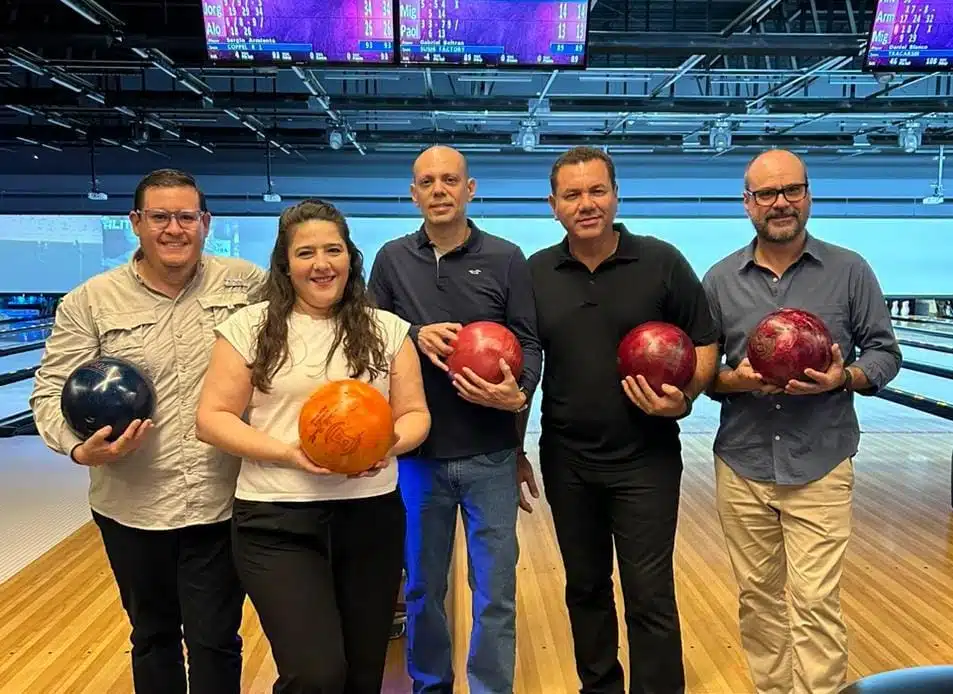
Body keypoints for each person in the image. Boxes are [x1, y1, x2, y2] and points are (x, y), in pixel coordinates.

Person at [29, 168, 266, 694]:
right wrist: (77, 448)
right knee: (153, 636)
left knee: (216, 639)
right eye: (160, 217)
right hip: (131, 505)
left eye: (186, 217)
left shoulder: (246, 284)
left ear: (205, 223)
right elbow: (48, 392)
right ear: (136, 223)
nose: (173, 229)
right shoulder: (90, 300)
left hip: (219, 499)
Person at [195, 199, 431, 694]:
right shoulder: (249, 328)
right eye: (306, 253)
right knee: (317, 675)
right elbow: (211, 419)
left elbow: (415, 415)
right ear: (285, 264)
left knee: (363, 676)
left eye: (333, 250)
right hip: (276, 521)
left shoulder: (387, 329)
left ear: (350, 258)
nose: (321, 263)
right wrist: (287, 453)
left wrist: (387, 447)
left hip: (370, 519)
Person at [701, 149, 901, 694]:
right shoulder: (719, 280)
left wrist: (844, 379)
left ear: (808, 195)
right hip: (743, 462)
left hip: (821, 461)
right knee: (758, 600)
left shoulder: (850, 270)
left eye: (791, 190)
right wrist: (733, 380)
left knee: (815, 602)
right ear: (748, 204)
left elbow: (885, 353)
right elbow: (705, 375)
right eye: (766, 194)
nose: (780, 203)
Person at [525, 145, 719, 694]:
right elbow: (523, 364)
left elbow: (705, 341)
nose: (586, 203)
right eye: (573, 195)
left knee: (648, 592)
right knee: (585, 587)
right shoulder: (536, 272)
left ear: (614, 195)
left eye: (596, 191)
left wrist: (685, 398)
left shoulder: (661, 261)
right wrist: (513, 448)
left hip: (647, 457)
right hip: (567, 459)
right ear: (553, 205)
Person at [368, 145, 542, 694]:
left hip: (490, 454)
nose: (439, 189)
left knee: (495, 592)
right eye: (427, 181)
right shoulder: (392, 259)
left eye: (450, 180)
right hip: (419, 459)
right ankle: (430, 686)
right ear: (414, 193)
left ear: (470, 190)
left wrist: (516, 397)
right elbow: (373, 339)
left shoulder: (507, 256)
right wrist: (414, 336)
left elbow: (530, 343)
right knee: (422, 589)